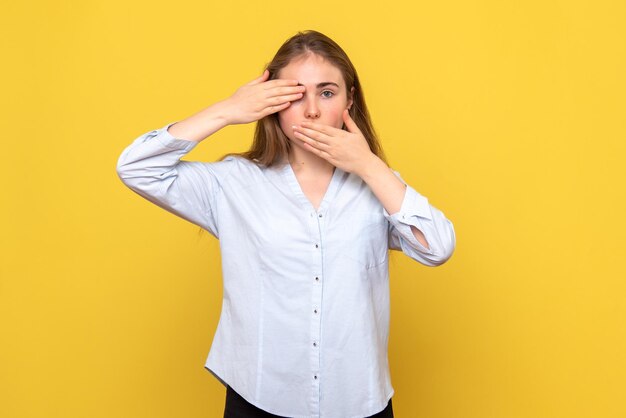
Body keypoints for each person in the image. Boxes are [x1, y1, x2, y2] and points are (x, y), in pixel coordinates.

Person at [116, 29, 456, 418]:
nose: (311, 110)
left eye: (327, 93)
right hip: (260, 399)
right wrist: (228, 110)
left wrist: (368, 165)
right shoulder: (234, 182)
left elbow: (437, 247)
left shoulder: (378, 185)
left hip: (358, 400)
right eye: (295, 94)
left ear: (349, 100)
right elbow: (135, 167)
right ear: (272, 102)